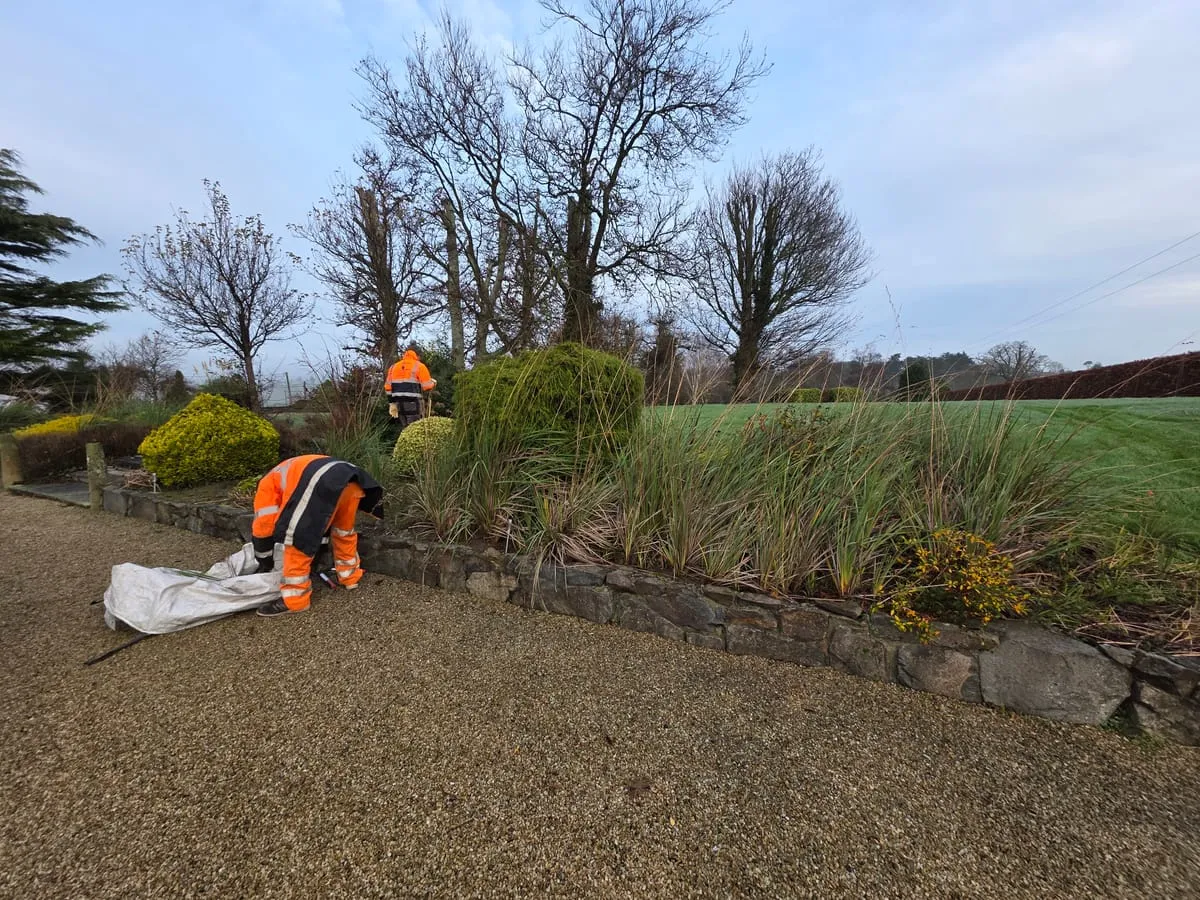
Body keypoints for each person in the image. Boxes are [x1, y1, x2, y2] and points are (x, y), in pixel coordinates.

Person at [250, 454, 385, 618]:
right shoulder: (287, 470)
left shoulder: (266, 485)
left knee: (297, 537)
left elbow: (263, 528)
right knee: (343, 532)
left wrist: (264, 561)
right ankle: (350, 577)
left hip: (322, 482)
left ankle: (296, 600)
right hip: (351, 481)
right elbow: (321, 526)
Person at [384, 347, 437, 429]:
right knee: (415, 429)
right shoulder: (419, 366)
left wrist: (392, 403)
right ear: (417, 356)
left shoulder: (393, 367)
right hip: (413, 403)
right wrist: (433, 383)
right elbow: (427, 386)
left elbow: (388, 388)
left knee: (404, 429)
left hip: (398, 404)